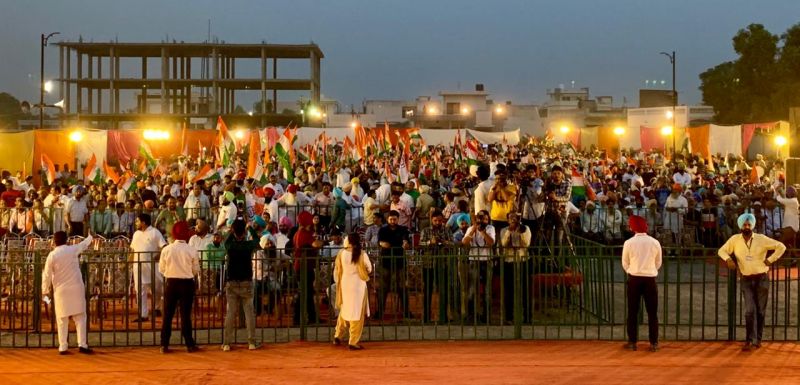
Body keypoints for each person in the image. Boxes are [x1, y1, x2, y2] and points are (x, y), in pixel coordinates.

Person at [718, 213, 786, 351]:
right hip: (746, 279)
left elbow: (781, 246)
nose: (747, 227)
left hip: (762, 278)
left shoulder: (761, 239)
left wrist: (770, 260)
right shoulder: (734, 240)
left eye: (749, 224)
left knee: (760, 311)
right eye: (744, 224)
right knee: (749, 310)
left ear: (753, 226)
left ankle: (757, 340)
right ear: (740, 226)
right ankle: (749, 340)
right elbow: (721, 251)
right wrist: (728, 259)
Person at [41, 231, 94, 355]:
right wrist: (90, 236)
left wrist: (45, 290)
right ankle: (82, 344)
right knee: (80, 317)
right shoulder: (72, 250)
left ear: (54, 241)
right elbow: (84, 244)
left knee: (62, 319)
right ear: (67, 240)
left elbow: (47, 275)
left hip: (61, 290)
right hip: (76, 288)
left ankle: (63, 346)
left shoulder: (52, 255)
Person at [622, 215, 662, 352]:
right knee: (652, 312)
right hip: (650, 278)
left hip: (634, 278)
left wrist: (632, 270)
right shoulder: (655, 242)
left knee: (632, 311)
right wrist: (650, 270)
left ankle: (632, 342)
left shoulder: (628, 243)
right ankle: (653, 342)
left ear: (632, 227)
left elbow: (625, 262)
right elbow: (658, 262)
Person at [158, 221, 200, 353]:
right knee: (185, 315)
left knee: (168, 315)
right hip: (187, 283)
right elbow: (195, 270)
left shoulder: (166, 249)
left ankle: (164, 344)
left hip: (171, 282)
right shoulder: (191, 250)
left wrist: (171, 272)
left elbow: (161, 269)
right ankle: (189, 344)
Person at [222, 219, 262, 351]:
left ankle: (226, 343)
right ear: (244, 232)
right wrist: (250, 228)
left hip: (232, 281)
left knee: (230, 313)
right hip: (246, 281)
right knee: (249, 312)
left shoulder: (230, 245)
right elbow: (257, 240)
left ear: (234, 231)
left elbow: (226, 240)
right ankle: (251, 342)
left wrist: (232, 230)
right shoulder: (248, 245)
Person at [333, 232, 373, 350]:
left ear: (348, 241)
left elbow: (336, 270)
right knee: (357, 313)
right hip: (358, 286)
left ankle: (338, 336)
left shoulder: (341, 253)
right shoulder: (362, 254)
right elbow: (369, 269)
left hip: (345, 284)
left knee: (345, 310)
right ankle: (353, 342)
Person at [130, 213, 167, 322]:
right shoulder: (136, 234)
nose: (136, 223)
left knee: (157, 288)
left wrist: (158, 256)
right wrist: (128, 262)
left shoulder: (155, 232)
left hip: (153, 266)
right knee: (139, 290)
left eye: (137, 221)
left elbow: (164, 247)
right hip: (138, 265)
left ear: (143, 222)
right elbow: (132, 249)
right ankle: (143, 315)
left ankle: (157, 308)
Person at [499, 212, 532, 324]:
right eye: (511, 218)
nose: (513, 220)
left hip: (523, 261)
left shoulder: (526, 229)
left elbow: (526, 244)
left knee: (525, 291)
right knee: (509, 291)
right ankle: (509, 317)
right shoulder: (504, 230)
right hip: (509, 262)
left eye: (516, 218)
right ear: (507, 220)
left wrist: (520, 232)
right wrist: (510, 231)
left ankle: (527, 317)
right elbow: (504, 243)